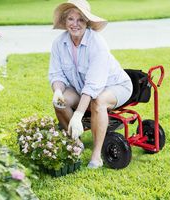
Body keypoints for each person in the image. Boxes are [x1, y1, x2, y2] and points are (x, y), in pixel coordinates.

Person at [49, 0, 133, 169]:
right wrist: (57, 91)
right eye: (71, 19)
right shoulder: (59, 43)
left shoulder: (97, 43)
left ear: (87, 22)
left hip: (116, 85)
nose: (75, 24)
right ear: (65, 21)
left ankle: (96, 156)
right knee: (60, 102)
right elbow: (56, 74)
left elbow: (93, 85)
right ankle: (76, 144)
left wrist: (79, 115)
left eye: (80, 19)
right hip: (82, 88)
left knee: (98, 102)